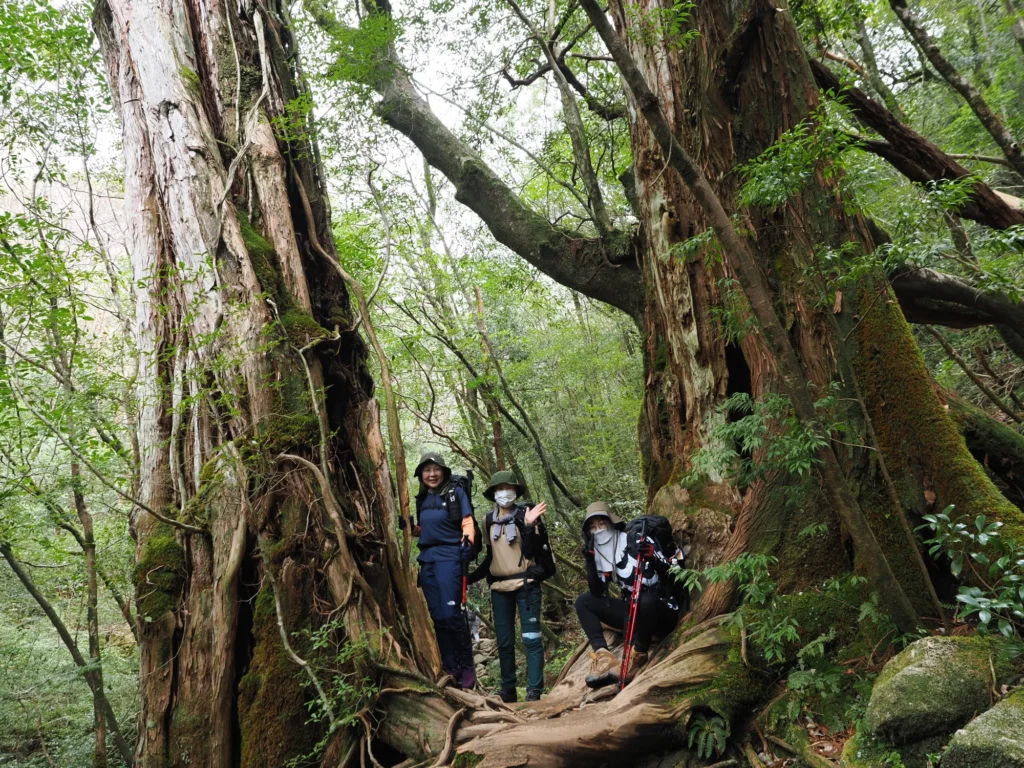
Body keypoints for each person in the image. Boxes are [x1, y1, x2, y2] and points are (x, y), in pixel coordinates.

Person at [574, 502, 684, 689]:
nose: (598, 530)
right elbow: (597, 591)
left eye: (602, 524)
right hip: (632, 609)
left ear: (611, 523)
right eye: (593, 527)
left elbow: (676, 572)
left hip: (661, 609)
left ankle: (638, 655)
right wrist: (590, 562)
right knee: (584, 602)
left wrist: (653, 558)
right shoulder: (600, 553)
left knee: (645, 599)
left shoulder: (636, 540)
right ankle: (602, 656)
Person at [468, 470, 550, 703]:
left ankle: (534, 691)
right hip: (499, 589)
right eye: (500, 488)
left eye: (509, 487)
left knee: (532, 638)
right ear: (494, 493)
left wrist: (528, 525)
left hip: (527, 584)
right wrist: (468, 578)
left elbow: (530, 552)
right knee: (504, 642)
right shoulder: (487, 520)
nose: (505, 492)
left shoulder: (527, 513)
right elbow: (489, 557)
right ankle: (508, 690)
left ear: (515, 491)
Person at [410, 452, 477, 689]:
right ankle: (450, 667)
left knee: (451, 615)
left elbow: (467, 521)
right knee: (438, 617)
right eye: (426, 470)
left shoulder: (455, 492)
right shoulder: (421, 498)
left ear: (443, 472)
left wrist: (467, 542)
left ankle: (467, 666)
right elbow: (426, 528)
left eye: (435, 469)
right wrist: (411, 528)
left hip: (450, 557)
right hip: (427, 559)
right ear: (421, 475)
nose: (431, 474)